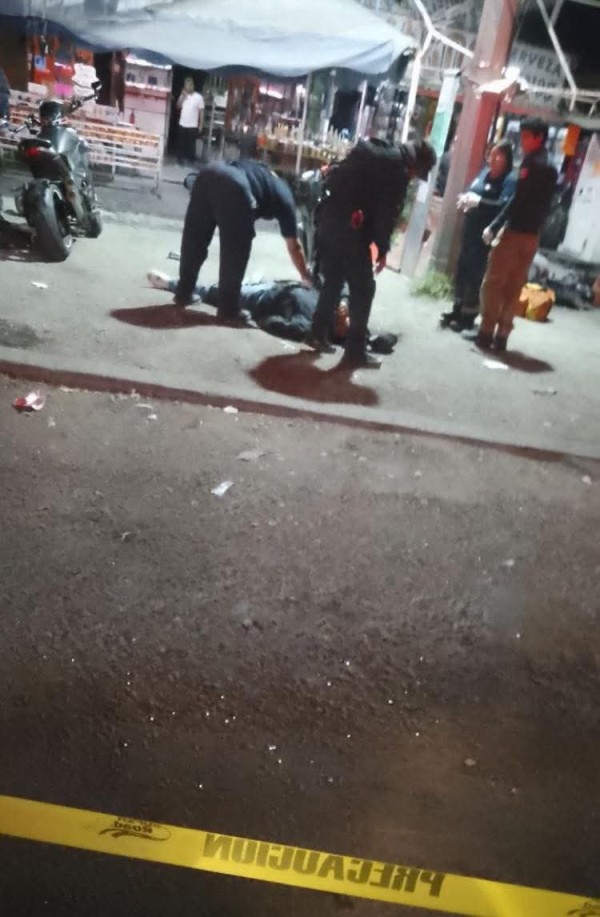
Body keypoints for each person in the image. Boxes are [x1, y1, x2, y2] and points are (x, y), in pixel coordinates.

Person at [306, 137, 436, 369]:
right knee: (364, 288)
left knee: (334, 280)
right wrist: (382, 249)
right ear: (415, 164)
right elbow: (385, 215)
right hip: (349, 228)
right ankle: (355, 352)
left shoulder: (381, 151)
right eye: (418, 173)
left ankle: (316, 334)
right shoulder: (397, 171)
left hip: (328, 218)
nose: (414, 177)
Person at [175, 159, 312, 327]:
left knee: (195, 238)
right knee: (236, 250)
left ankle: (184, 291)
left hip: (208, 173)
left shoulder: (263, 170)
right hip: (235, 187)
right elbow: (294, 246)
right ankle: (228, 310)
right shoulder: (286, 197)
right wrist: (305, 275)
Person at [147, 270, 398, 355]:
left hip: (266, 299)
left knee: (217, 292)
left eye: (345, 324)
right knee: (231, 283)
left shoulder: (313, 328)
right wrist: (343, 302)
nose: (345, 319)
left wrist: (257, 318)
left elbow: (273, 323)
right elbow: (340, 284)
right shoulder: (341, 310)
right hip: (284, 285)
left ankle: (171, 284)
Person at [472, 118, 558, 352]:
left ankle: (485, 332)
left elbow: (518, 199)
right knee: (514, 286)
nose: (522, 141)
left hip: (515, 232)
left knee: (493, 283)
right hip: (532, 236)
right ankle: (502, 336)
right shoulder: (551, 166)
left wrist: (495, 225)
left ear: (539, 137)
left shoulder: (532, 163)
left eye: (526, 136)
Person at [440, 140, 515, 332]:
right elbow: (473, 189)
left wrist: (479, 202)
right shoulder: (484, 173)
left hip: (485, 234)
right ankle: (457, 308)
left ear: (507, 159)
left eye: (498, 155)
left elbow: (503, 206)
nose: (493, 159)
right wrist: (466, 199)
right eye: (491, 154)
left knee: (476, 273)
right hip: (470, 229)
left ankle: (468, 316)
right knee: (462, 268)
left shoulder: (508, 180)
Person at [176, 77, 204, 166]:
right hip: (182, 123)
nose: (187, 87)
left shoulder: (198, 97)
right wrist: (182, 97)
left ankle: (191, 160)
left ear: (192, 86)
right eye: (186, 86)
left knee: (191, 144)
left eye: (189, 85)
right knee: (181, 143)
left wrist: (201, 124)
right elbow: (178, 106)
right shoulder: (183, 95)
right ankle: (180, 160)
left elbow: (201, 112)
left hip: (193, 124)